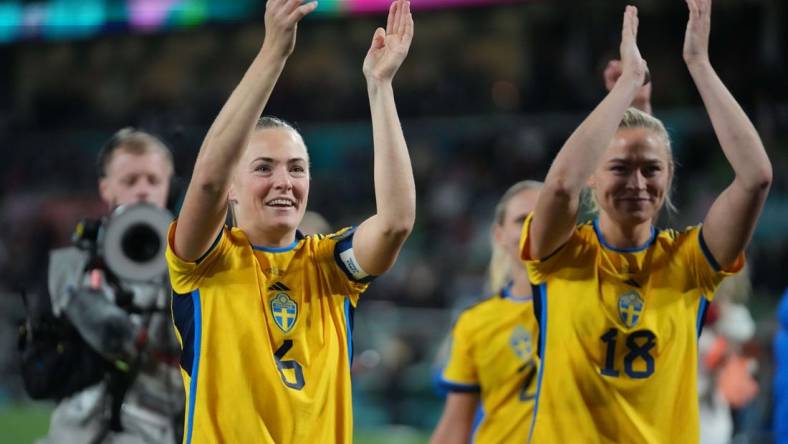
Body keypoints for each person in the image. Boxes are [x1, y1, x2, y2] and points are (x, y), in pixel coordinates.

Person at [164, 0, 415, 442]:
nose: (284, 181)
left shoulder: (332, 266)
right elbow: (205, 183)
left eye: (297, 168)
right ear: (233, 188)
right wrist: (274, 51)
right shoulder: (203, 263)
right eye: (263, 168)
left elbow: (395, 222)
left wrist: (380, 87)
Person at [520, 2, 772, 443]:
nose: (637, 182)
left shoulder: (690, 261)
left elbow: (755, 177)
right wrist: (626, 89)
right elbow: (560, 187)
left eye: (651, 169)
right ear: (593, 178)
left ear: (669, 174)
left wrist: (699, 64)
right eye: (619, 168)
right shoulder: (561, 255)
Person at [40, 128, 184, 444]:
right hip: (74, 431)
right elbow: (41, 369)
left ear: (168, 186)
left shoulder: (191, 263)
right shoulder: (73, 264)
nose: (143, 191)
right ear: (106, 188)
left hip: (155, 430)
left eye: (153, 180)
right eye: (130, 181)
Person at [430, 181, 542, 444]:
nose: (534, 228)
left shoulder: (594, 303)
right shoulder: (476, 322)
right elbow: (455, 424)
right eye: (522, 219)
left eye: (545, 217)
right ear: (499, 235)